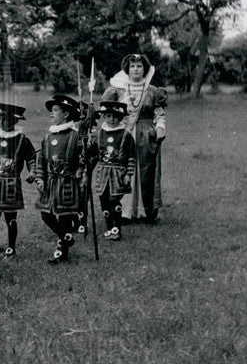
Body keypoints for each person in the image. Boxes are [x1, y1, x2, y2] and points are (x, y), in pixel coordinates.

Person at [101, 53, 167, 223]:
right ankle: (124, 212)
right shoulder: (119, 90)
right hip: (124, 134)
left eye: (139, 66)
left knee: (146, 171)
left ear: (145, 69)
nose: (136, 69)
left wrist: (160, 127)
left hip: (146, 135)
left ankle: (146, 212)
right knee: (122, 169)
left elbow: (159, 114)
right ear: (127, 69)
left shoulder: (152, 91)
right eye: (132, 66)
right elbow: (109, 114)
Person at [34, 94, 87, 264]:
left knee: (64, 217)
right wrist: (40, 179)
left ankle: (62, 253)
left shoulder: (75, 136)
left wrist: (81, 171)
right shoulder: (47, 138)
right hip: (50, 183)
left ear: (66, 114)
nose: (51, 113)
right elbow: (41, 161)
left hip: (67, 183)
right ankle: (65, 236)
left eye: (55, 110)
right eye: (51, 110)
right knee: (45, 214)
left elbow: (83, 159)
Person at [0, 101, 36, 259]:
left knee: (10, 217)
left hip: (11, 183)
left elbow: (31, 157)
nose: (2, 122)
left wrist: (33, 171)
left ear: (15, 121)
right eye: (0, 118)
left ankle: (11, 248)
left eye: (6, 119)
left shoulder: (22, 140)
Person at [89, 101, 137, 242]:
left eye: (115, 116)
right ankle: (109, 228)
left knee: (113, 200)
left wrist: (129, 174)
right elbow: (93, 154)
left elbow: (131, 156)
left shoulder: (126, 135)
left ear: (121, 118)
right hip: (102, 173)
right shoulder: (99, 134)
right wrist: (89, 143)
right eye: (108, 116)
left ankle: (117, 230)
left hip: (118, 174)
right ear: (104, 117)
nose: (112, 119)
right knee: (103, 200)